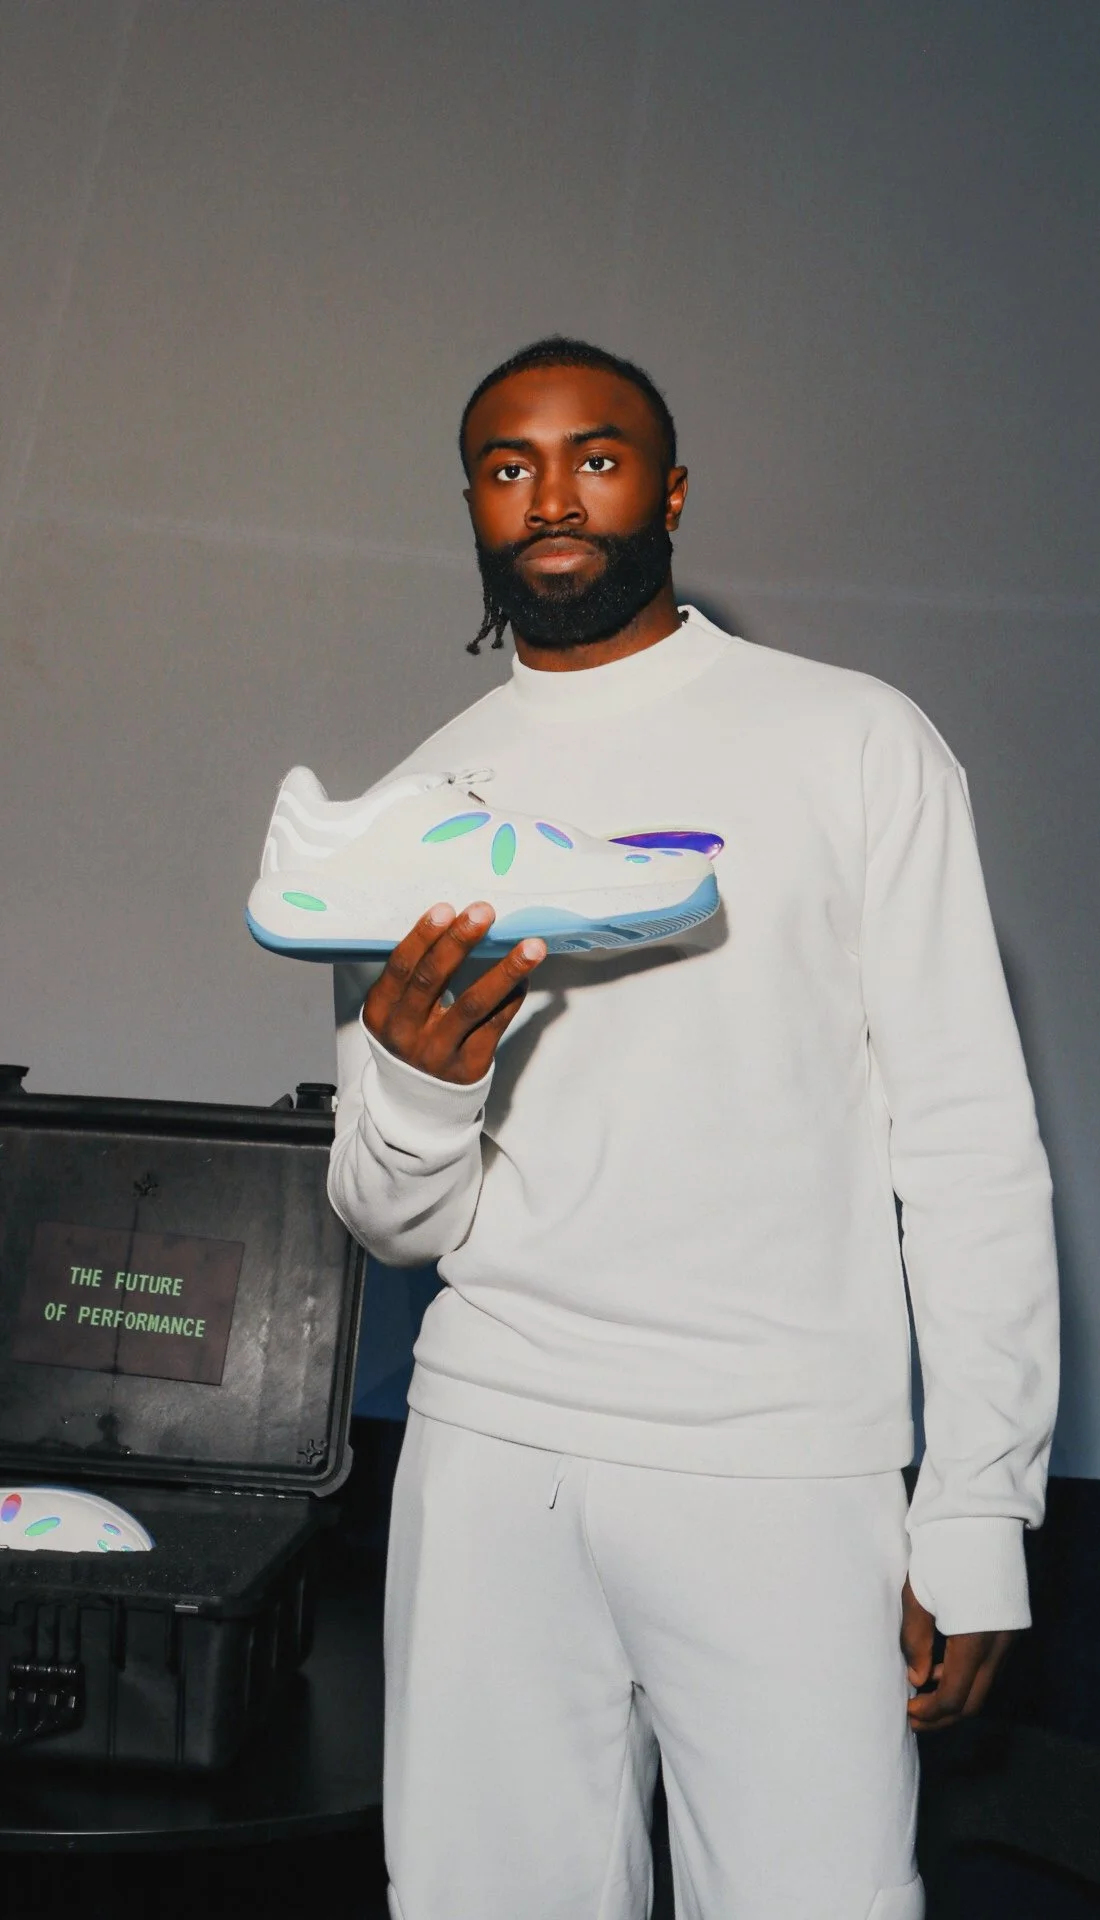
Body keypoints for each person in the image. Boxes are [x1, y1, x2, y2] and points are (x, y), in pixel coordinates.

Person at [328, 337, 1059, 1920]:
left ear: (670, 488)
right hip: (491, 1446)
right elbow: (395, 1224)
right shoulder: (413, 807)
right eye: (509, 466)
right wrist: (417, 1089)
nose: (551, 494)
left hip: (784, 1466)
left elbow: (969, 1142)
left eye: (594, 454)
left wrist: (981, 1508)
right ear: (471, 505)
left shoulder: (854, 738)